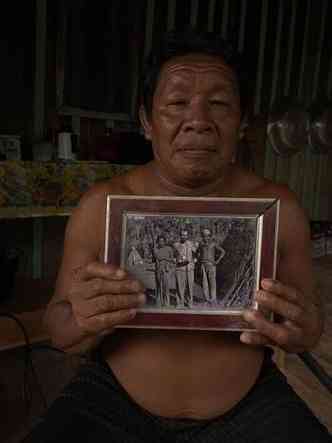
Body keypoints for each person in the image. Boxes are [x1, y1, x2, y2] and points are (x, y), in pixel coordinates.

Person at [23, 29, 330, 442]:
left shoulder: (278, 209)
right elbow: (59, 330)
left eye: (219, 104)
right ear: (148, 121)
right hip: (113, 397)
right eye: (177, 103)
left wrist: (304, 330)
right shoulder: (104, 205)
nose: (198, 121)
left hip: (248, 402)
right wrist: (80, 317)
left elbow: (308, 327)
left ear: (242, 122)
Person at [197, 228, 225, 304]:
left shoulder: (213, 244)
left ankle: (213, 299)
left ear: (209, 236)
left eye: (207, 236)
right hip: (203, 265)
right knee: (204, 282)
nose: (205, 237)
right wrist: (199, 259)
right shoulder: (201, 244)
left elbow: (222, 252)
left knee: (212, 282)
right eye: (204, 235)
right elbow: (198, 253)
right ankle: (206, 299)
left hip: (211, 265)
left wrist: (217, 261)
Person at [173, 229, 198, 308]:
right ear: (180, 235)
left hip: (190, 268)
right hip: (180, 268)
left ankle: (190, 303)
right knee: (180, 286)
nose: (184, 236)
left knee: (190, 286)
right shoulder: (176, 245)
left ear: (187, 236)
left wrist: (194, 259)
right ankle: (180, 303)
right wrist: (177, 260)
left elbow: (196, 253)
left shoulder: (191, 244)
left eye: (185, 235)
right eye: (182, 235)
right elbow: (173, 256)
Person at [153, 235, 175, 306]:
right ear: (158, 242)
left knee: (166, 286)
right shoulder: (156, 249)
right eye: (159, 241)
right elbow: (156, 258)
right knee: (159, 286)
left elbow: (172, 259)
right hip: (158, 269)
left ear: (165, 241)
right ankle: (158, 302)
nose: (161, 242)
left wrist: (169, 267)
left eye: (162, 241)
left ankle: (166, 302)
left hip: (166, 270)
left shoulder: (169, 249)